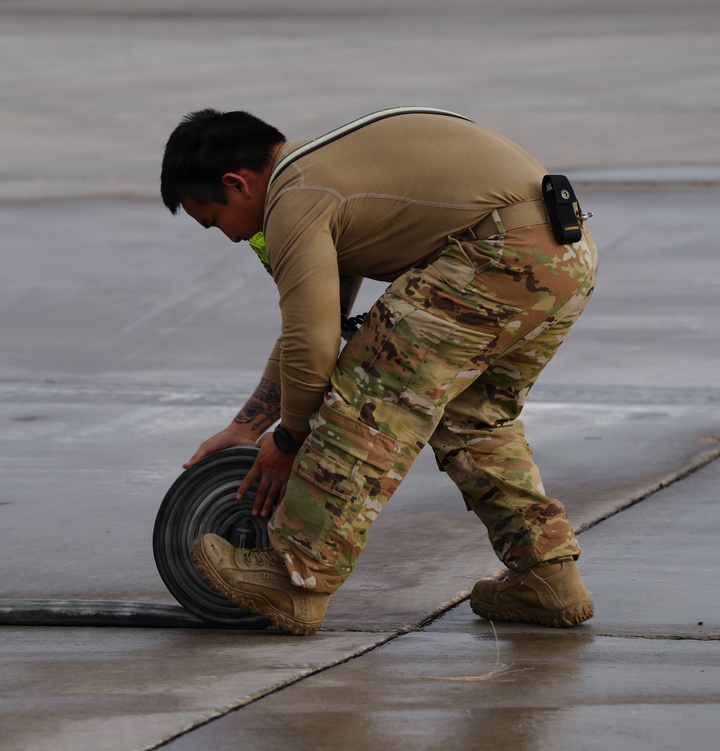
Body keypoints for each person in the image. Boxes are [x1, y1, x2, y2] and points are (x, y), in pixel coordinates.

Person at [160, 106, 597, 635]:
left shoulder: (295, 197)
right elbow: (313, 323)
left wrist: (292, 438)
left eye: (213, 219)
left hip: (498, 254)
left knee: (370, 400)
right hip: (563, 252)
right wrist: (247, 427)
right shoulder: (324, 172)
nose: (228, 237)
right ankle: (548, 578)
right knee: (473, 419)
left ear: (237, 182)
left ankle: (295, 578)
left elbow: (314, 345)